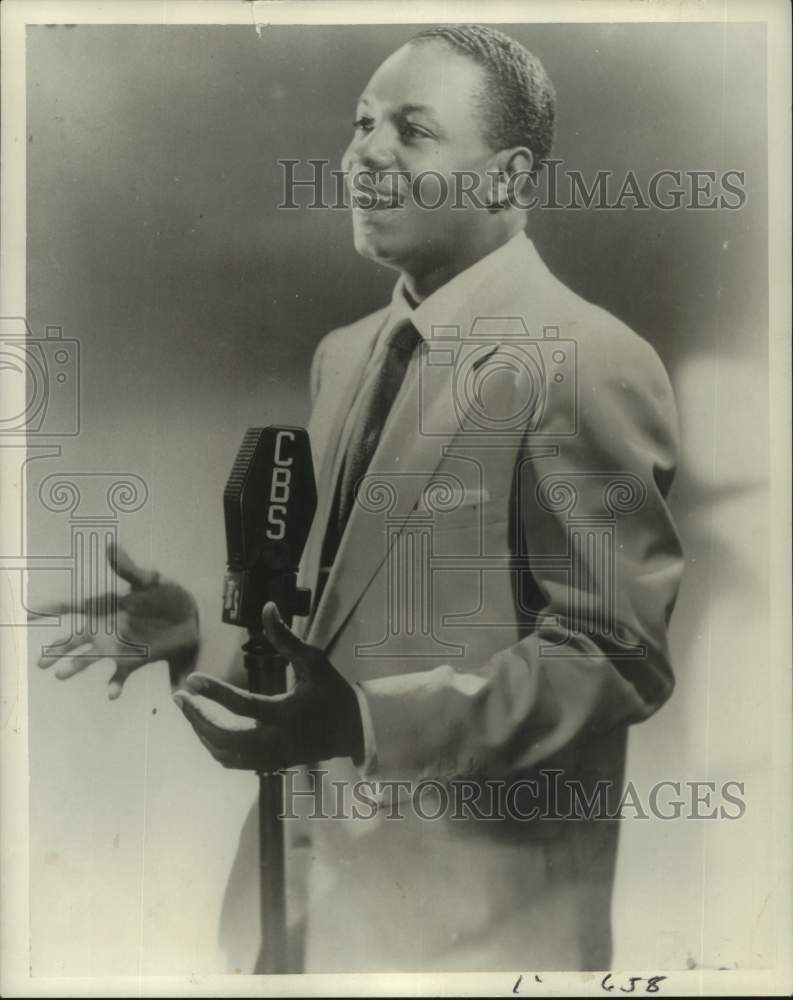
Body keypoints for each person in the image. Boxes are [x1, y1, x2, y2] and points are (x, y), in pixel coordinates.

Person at [38, 24, 684, 974]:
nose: (361, 155)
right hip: (296, 918)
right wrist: (199, 639)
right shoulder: (345, 356)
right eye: (360, 123)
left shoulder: (587, 361)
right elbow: (340, 636)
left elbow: (614, 658)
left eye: (411, 130)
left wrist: (366, 725)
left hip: (475, 943)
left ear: (506, 178)